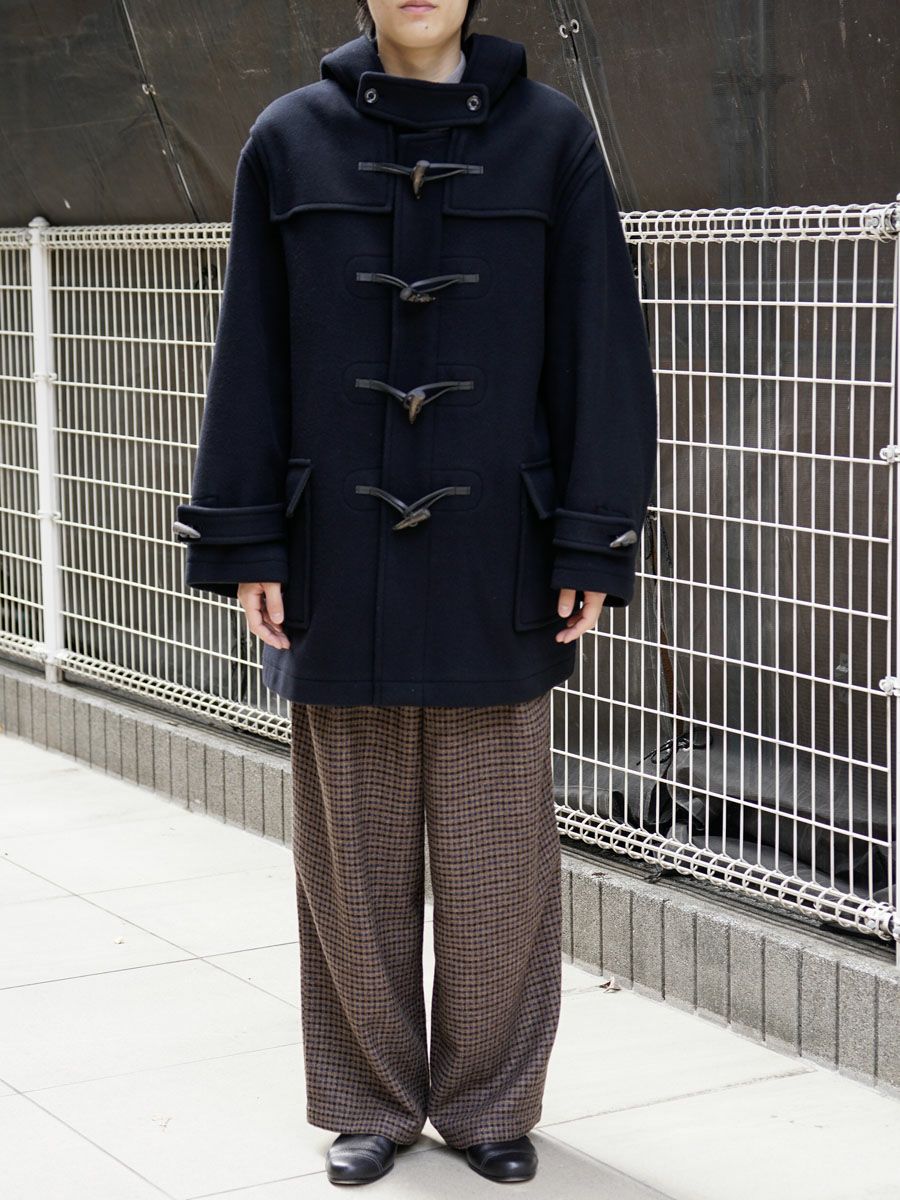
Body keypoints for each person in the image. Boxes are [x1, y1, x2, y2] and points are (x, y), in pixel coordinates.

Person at [173, 0, 657, 1186]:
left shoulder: (553, 137)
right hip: (330, 550)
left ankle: (490, 1102)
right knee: (351, 855)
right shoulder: (287, 138)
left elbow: (601, 348)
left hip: (502, 548)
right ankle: (370, 1100)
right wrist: (248, 538)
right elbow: (249, 353)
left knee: (499, 860)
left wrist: (591, 542)